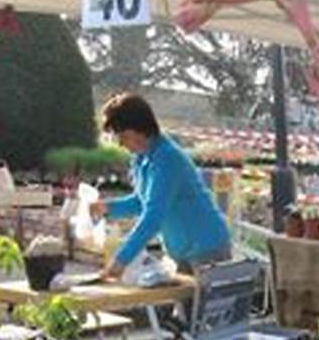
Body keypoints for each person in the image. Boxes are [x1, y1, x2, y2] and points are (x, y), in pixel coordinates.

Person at [90, 93, 231, 278]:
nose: (120, 144)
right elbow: (142, 201)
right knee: (182, 305)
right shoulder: (141, 159)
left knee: (201, 306)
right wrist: (108, 208)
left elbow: (153, 215)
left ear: (139, 128)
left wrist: (122, 260)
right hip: (183, 251)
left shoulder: (168, 158)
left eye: (122, 136)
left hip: (206, 249)